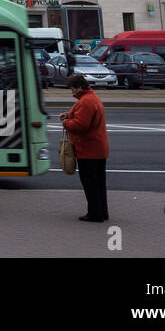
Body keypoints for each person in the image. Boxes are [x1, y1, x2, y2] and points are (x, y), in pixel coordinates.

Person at [61, 74, 109, 222]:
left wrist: (66, 122)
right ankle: (102, 212)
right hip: (98, 149)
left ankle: (95, 214)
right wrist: (69, 114)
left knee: (90, 184)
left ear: (79, 87)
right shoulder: (91, 97)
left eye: (73, 89)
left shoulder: (86, 101)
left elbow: (81, 125)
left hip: (89, 150)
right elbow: (82, 115)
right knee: (99, 183)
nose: (72, 92)